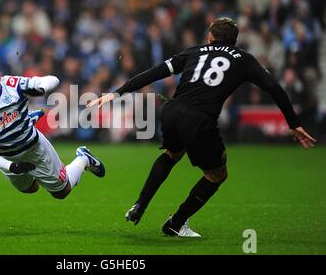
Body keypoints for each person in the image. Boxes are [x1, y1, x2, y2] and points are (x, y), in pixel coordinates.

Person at [87, 18, 316, 237]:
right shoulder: (244, 59)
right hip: (199, 120)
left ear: (210, 37)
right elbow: (274, 87)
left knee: (171, 154)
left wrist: (116, 93)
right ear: (234, 40)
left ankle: (140, 204)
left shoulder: (193, 51)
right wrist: (294, 124)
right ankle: (176, 223)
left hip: (171, 111)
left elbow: (154, 73)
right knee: (217, 174)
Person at [0, 59, 105, 199]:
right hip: (7, 158)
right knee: (30, 189)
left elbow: (53, 80)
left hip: (33, 148)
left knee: (61, 192)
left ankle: (83, 158)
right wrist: (11, 166)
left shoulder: (12, 85)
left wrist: (41, 88)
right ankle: (27, 121)